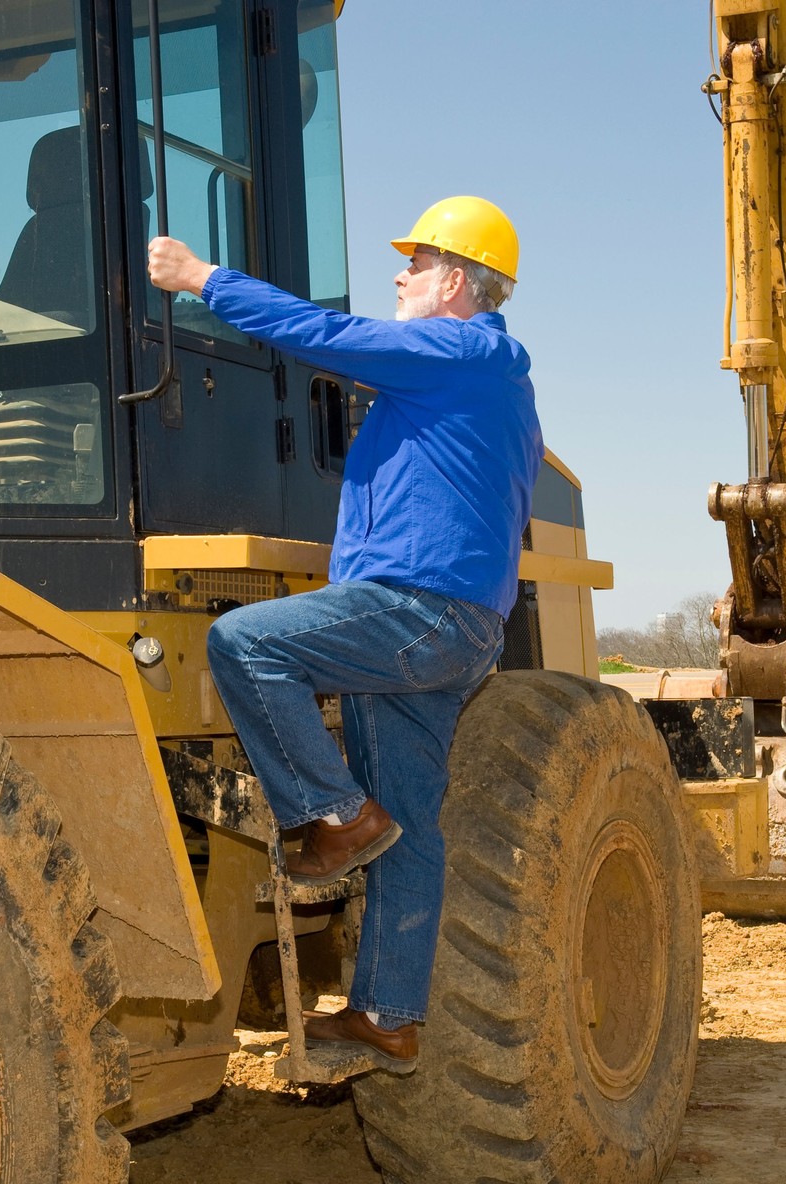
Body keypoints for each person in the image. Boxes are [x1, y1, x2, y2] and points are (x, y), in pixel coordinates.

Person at [145, 196, 542, 1073]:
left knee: (247, 644)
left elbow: (324, 336)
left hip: (421, 609)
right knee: (409, 823)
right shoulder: (489, 378)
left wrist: (203, 279)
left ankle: (332, 814)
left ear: (456, 283)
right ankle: (387, 1017)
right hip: (460, 625)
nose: (399, 274)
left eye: (417, 261)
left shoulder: (454, 349)